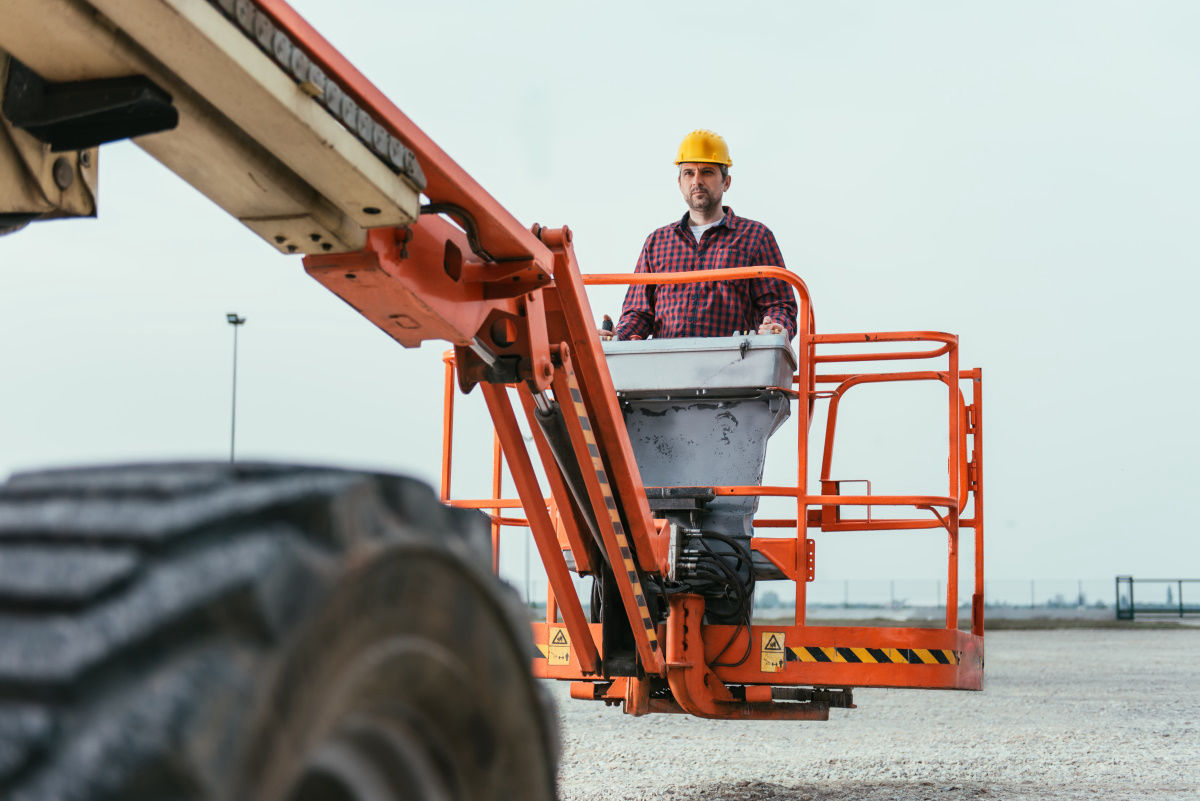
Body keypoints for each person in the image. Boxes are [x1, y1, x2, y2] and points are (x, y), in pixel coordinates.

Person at [599, 129, 797, 341]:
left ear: (726, 182)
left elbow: (778, 305)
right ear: (680, 183)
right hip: (667, 367)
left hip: (734, 367)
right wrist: (617, 336)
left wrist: (776, 327)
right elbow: (639, 312)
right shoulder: (657, 243)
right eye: (689, 173)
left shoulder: (755, 237)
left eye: (707, 172)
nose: (697, 180)